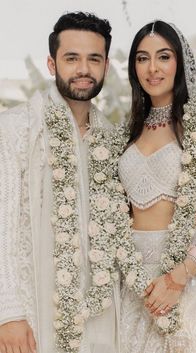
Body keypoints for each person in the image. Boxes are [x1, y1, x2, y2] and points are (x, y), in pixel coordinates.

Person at [0, 11, 150, 353]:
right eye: (72, 58)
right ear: (52, 64)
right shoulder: (15, 128)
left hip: (101, 316)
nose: (83, 69)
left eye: (93, 59)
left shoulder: (112, 141)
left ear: (106, 66)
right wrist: (7, 313)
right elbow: (1, 224)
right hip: (32, 314)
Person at [118, 20, 196, 352]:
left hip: (192, 277)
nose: (152, 68)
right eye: (142, 58)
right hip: (138, 281)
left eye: (163, 56)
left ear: (180, 63)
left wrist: (181, 275)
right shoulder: (123, 135)